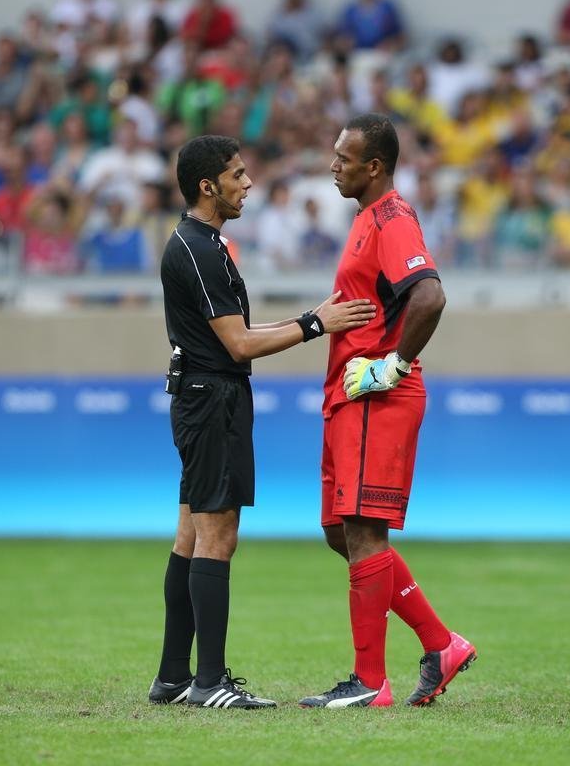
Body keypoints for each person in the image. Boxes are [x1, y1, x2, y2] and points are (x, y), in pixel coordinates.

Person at [149, 134, 376, 710]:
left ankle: (174, 676)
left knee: (190, 534)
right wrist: (317, 323)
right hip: (212, 401)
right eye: (237, 174)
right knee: (217, 536)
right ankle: (210, 682)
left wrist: (311, 319)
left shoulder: (205, 244)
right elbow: (239, 343)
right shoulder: (198, 248)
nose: (248, 183)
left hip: (201, 397)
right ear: (208, 186)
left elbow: (237, 333)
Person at [298, 114, 476, 709]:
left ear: (374, 166)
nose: (333, 165)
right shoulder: (365, 220)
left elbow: (430, 295)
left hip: (377, 392)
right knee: (338, 531)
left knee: (364, 530)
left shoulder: (393, 219)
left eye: (344, 158)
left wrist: (391, 365)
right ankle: (441, 643)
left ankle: (370, 682)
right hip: (348, 392)